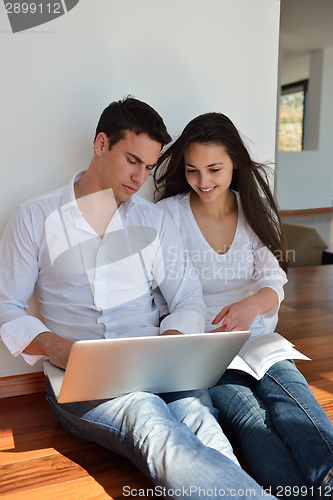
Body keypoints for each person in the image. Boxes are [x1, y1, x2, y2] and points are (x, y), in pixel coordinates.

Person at [0, 98, 274, 500]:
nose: (139, 177)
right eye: (132, 160)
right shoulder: (34, 217)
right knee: (149, 421)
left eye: (148, 167)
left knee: (202, 421)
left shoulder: (154, 220)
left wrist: (168, 346)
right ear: (100, 144)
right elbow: (5, 306)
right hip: (79, 378)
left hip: (156, 366)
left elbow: (187, 299)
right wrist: (59, 349)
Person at [154, 111, 333, 500]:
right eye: (192, 171)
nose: (203, 182)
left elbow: (274, 281)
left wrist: (250, 306)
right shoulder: (168, 216)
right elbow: (170, 294)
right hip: (203, 347)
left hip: (255, 337)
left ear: (234, 162)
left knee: (291, 395)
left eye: (214, 169)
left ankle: (329, 476)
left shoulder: (253, 208)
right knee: (250, 418)